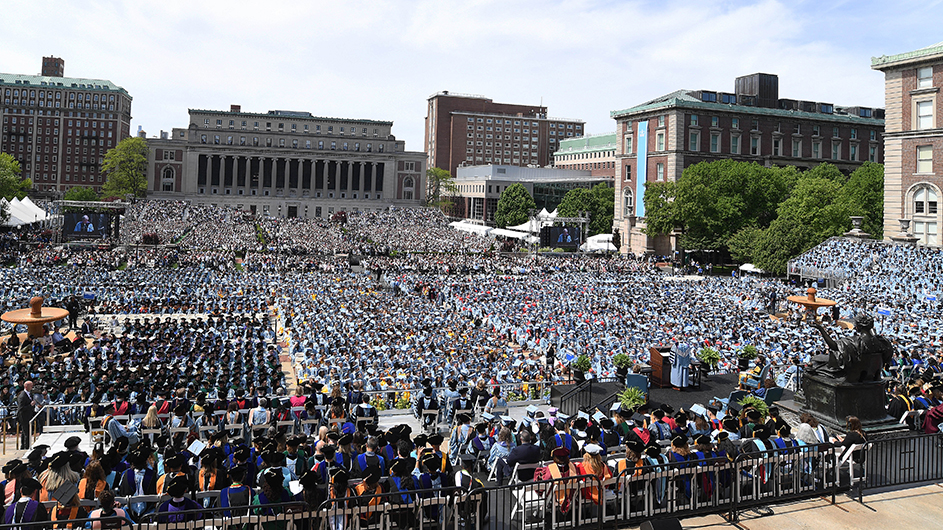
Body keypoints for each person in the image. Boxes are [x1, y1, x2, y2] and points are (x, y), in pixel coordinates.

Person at [17, 381, 36, 450]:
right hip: (24, 416)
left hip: (29, 415)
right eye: (30, 385)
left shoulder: (30, 394)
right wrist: (30, 405)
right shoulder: (22, 396)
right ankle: (26, 446)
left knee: (26, 431)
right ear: (26, 386)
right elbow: (21, 408)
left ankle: (24, 445)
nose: (32, 387)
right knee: (26, 432)